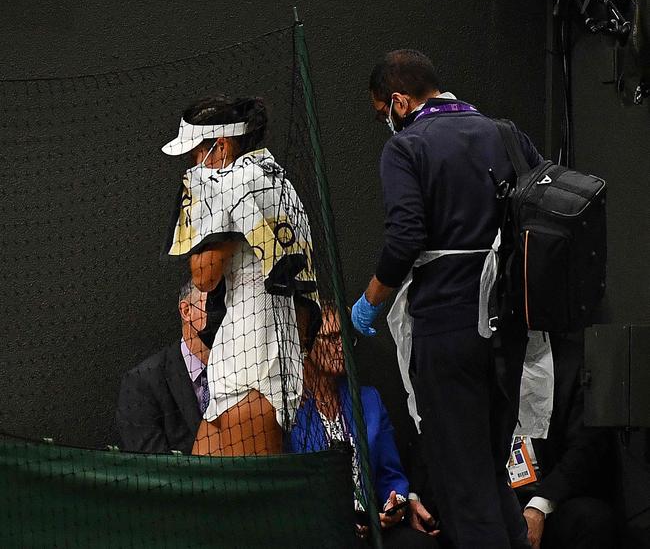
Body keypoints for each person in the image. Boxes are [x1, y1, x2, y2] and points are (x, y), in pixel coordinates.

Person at [351, 49, 543, 549]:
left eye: (381, 114)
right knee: (489, 470)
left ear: (398, 101)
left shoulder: (407, 148)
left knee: (462, 482)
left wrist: (371, 300)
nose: (385, 123)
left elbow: (403, 239)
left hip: (448, 327)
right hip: (509, 331)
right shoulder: (505, 133)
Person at [162, 95, 318, 457]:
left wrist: (204, 199)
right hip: (251, 344)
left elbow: (204, 276)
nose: (193, 164)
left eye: (196, 153)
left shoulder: (234, 181)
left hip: (257, 355)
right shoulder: (274, 178)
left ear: (221, 145)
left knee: (257, 499)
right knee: (204, 493)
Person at [289, 304, 439, 546]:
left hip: (374, 523)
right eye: (331, 338)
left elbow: (391, 473)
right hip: (322, 531)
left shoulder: (368, 400)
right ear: (306, 345)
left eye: (346, 337)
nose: (342, 346)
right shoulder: (292, 411)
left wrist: (396, 503)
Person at [517, 333, 616, 549]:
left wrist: (539, 506)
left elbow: (585, 447)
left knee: (591, 519)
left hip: (548, 494)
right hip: (488, 495)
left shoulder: (571, 360)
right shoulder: (460, 360)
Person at [115, 278, 222, 454]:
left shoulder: (246, 371)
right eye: (214, 302)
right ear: (187, 311)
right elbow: (153, 469)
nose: (224, 312)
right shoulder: (143, 383)